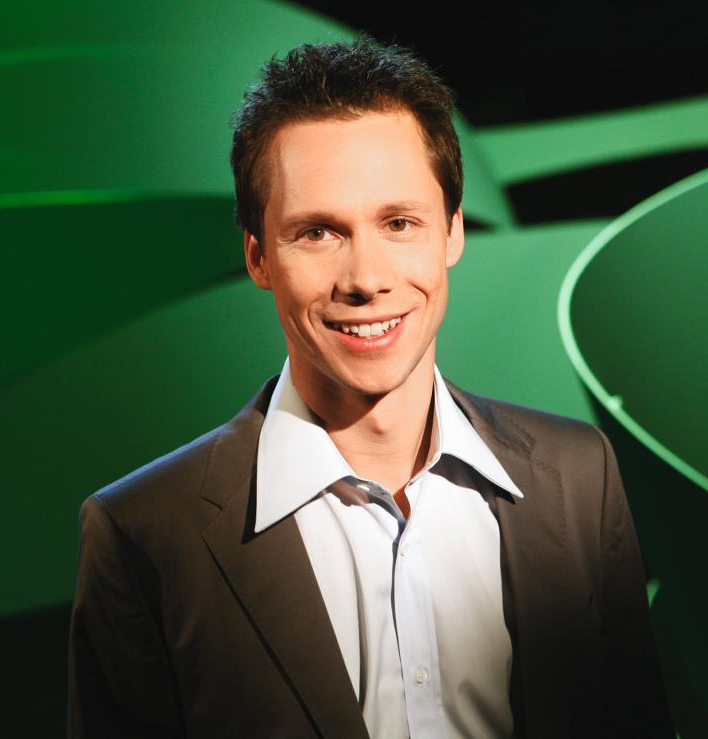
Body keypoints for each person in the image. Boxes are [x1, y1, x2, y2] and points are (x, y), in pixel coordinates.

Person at [67, 37, 673, 738]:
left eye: (399, 223)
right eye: (318, 232)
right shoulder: (144, 533)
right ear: (258, 256)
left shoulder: (578, 478)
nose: (366, 278)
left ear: (451, 233)